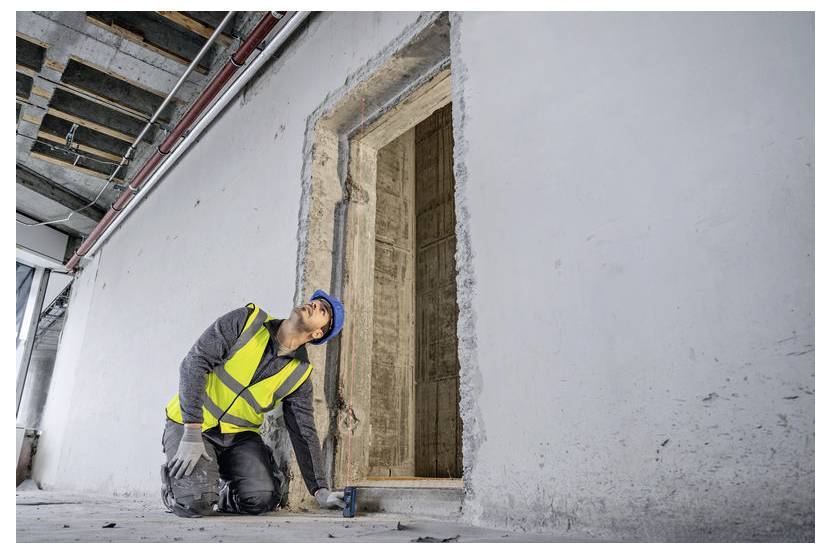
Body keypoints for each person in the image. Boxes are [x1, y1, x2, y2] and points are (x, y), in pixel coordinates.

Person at [160, 289, 346, 517]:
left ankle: (224, 492)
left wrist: (320, 490)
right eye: (314, 301)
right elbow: (193, 364)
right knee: (196, 503)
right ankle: (175, 490)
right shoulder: (247, 321)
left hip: (237, 438)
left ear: (318, 334)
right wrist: (191, 429)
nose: (314, 305)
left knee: (262, 498)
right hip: (189, 424)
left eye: (322, 310)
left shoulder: (299, 375)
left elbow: (304, 432)